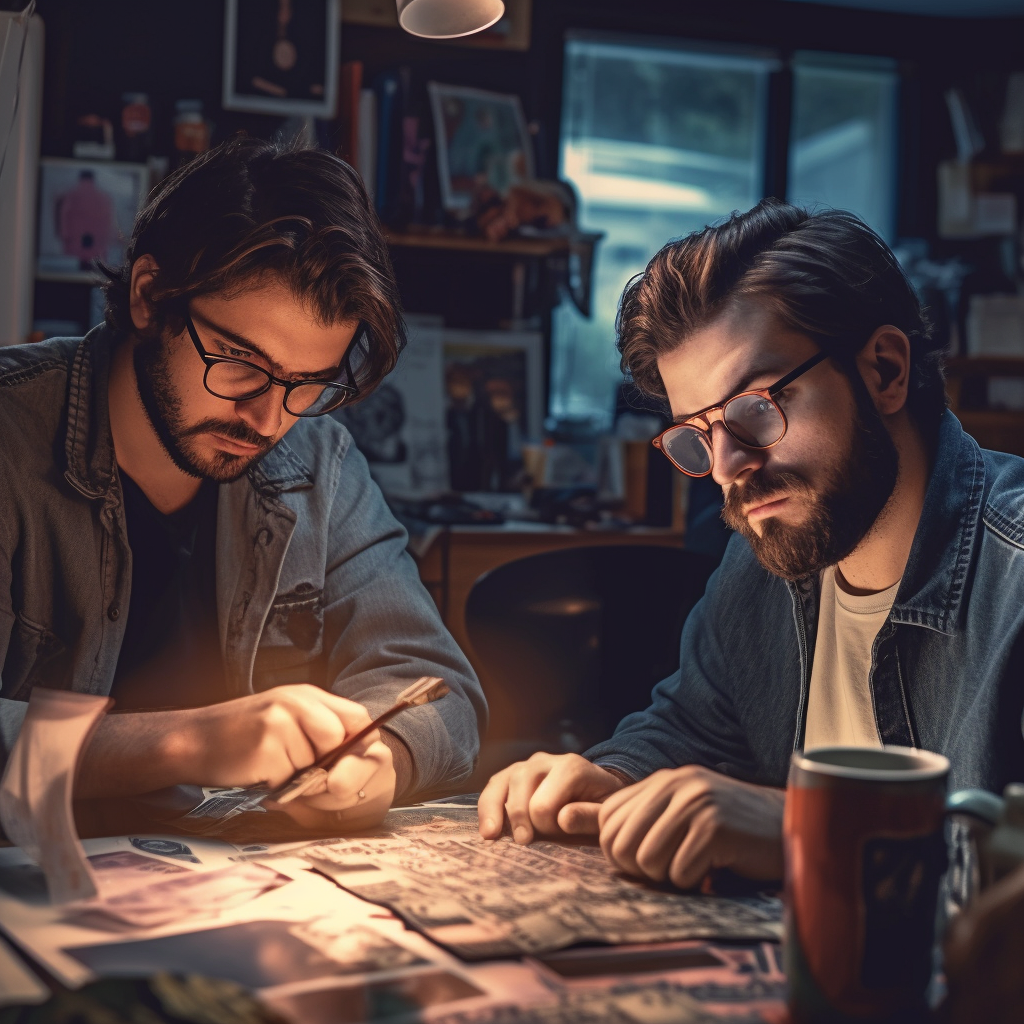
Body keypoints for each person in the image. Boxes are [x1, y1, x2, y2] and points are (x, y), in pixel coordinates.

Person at [479, 199, 1024, 894]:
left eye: (755, 409)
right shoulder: (765, 560)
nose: (728, 467)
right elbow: (690, 728)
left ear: (884, 369)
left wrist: (809, 836)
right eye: (698, 436)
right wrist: (610, 777)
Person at [0, 137, 486, 832]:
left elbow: (438, 688)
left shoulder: (322, 468)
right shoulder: (9, 436)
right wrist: (185, 742)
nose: (267, 419)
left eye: (307, 384)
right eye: (239, 362)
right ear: (148, 297)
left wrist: (382, 754)